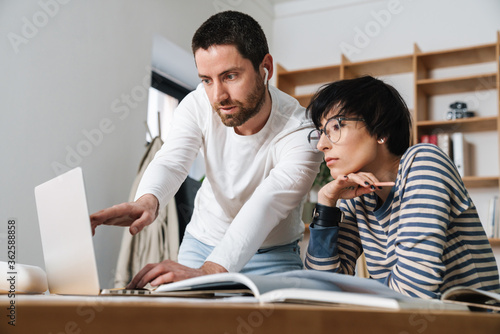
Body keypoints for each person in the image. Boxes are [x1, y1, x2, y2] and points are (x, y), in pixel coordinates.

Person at [91, 11, 322, 288]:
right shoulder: (197, 104)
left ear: (266, 68)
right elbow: (172, 161)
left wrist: (211, 271)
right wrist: (148, 200)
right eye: (206, 79)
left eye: (230, 76)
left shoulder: (300, 131)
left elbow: (266, 204)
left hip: (273, 254)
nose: (218, 96)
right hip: (203, 243)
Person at [304, 75, 500, 299]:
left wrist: (357, 290)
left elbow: (414, 291)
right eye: (321, 132)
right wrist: (326, 204)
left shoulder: (424, 162)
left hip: (474, 322)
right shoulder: (359, 195)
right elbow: (321, 288)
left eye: (336, 127)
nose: (322, 144)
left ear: (381, 131)